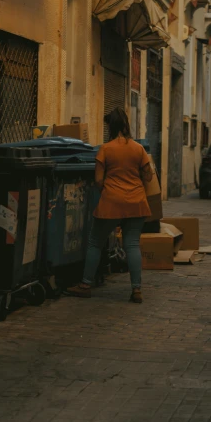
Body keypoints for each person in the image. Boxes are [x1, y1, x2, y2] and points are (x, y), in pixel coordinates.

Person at [67, 107, 153, 303]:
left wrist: (110, 190)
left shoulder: (105, 149)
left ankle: (86, 285)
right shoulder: (138, 149)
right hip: (136, 202)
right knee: (132, 245)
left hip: (112, 201)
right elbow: (148, 176)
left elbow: (98, 180)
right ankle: (136, 290)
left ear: (110, 127)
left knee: (95, 242)